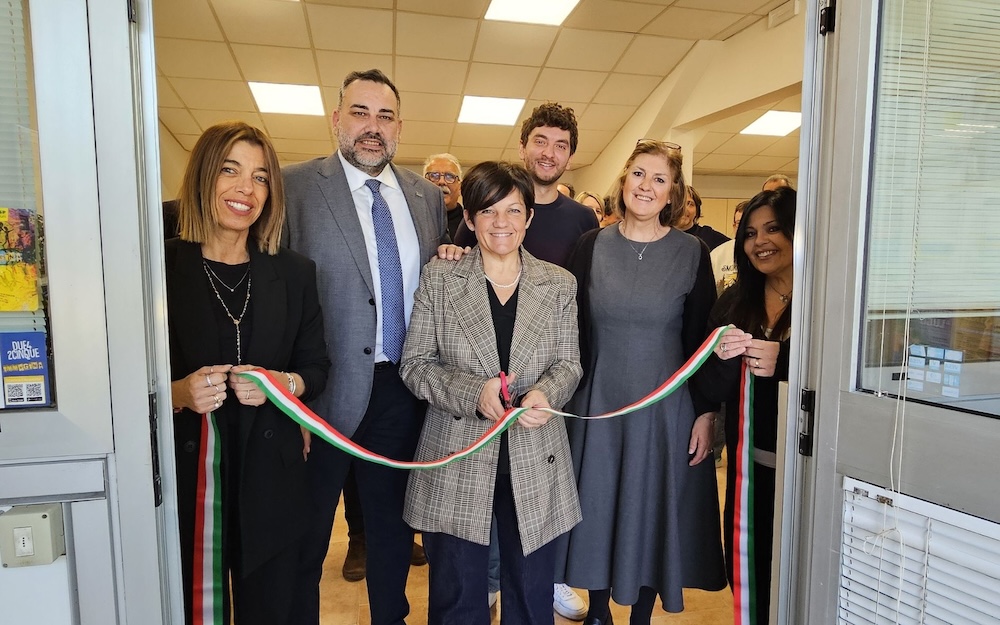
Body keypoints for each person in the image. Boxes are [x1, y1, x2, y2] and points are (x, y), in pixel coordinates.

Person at [282, 69, 450, 625]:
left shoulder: (426, 197)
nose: (372, 127)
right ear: (337, 119)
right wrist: (288, 399)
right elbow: (277, 292)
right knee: (307, 533)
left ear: (399, 127)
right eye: (360, 113)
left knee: (391, 530)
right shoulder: (294, 187)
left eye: (385, 116)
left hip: (402, 388)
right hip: (321, 393)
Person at [401, 160, 583, 625]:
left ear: (529, 217)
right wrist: (472, 394)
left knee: (531, 595)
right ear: (468, 217)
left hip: (535, 456)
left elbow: (569, 364)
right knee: (458, 596)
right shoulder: (441, 278)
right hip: (457, 457)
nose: (501, 222)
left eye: (513, 210)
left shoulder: (558, 284)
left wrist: (546, 394)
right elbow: (415, 365)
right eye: (488, 210)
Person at [166, 121, 330, 625]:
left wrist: (285, 386)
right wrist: (178, 392)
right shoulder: (158, 268)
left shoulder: (295, 272)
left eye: (260, 178)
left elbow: (316, 368)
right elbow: (123, 379)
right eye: (230, 170)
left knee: (275, 606)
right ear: (203, 176)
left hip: (272, 473)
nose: (246, 189)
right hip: (189, 474)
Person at [558, 139, 728, 625]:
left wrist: (706, 413)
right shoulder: (590, 246)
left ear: (673, 192)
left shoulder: (692, 253)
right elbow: (568, 326)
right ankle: (598, 612)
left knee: (652, 509)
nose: (646, 186)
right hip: (598, 406)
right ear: (623, 180)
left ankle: (642, 615)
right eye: (638, 174)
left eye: (659, 178)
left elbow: (701, 340)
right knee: (597, 507)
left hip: (665, 412)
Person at [451, 102, 596, 620]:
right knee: (470, 561)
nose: (501, 222)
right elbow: (422, 356)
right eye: (541, 140)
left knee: (532, 548)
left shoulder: (578, 231)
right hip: (471, 416)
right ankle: (486, 589)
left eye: (562, 145)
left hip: (540, 410)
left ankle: (537, 590)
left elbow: (571, 346)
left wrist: (549, 391)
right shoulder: (476, 224)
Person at [701, 187, 797, 625]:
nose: (761, 242)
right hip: (750, 472)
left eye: (773, 229)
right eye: (751, 233)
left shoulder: (828, 300)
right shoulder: (734, 302)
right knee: (750, 575)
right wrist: (722, 358)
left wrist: (787, 362)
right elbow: (709, 385)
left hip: (807, 472)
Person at [455, 102, 599, 270]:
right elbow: (459, 264)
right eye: (540, 142)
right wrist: (450, 252)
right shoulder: (488, 210)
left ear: (570, 159)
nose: (549, 153)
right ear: (522, 148)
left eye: (560, 146)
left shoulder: (584, 219)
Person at [424, 153, 464, 240]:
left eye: (449, 176)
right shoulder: (412, 220)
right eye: (434, 176)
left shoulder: (471, 225)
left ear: (460, 188)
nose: (441, 182)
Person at [677, 185, 730, 250]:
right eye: (679, 203)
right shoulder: (665, 235)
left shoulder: (707, 235)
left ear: (697, 211)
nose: (684, 209)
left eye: (690, 204)